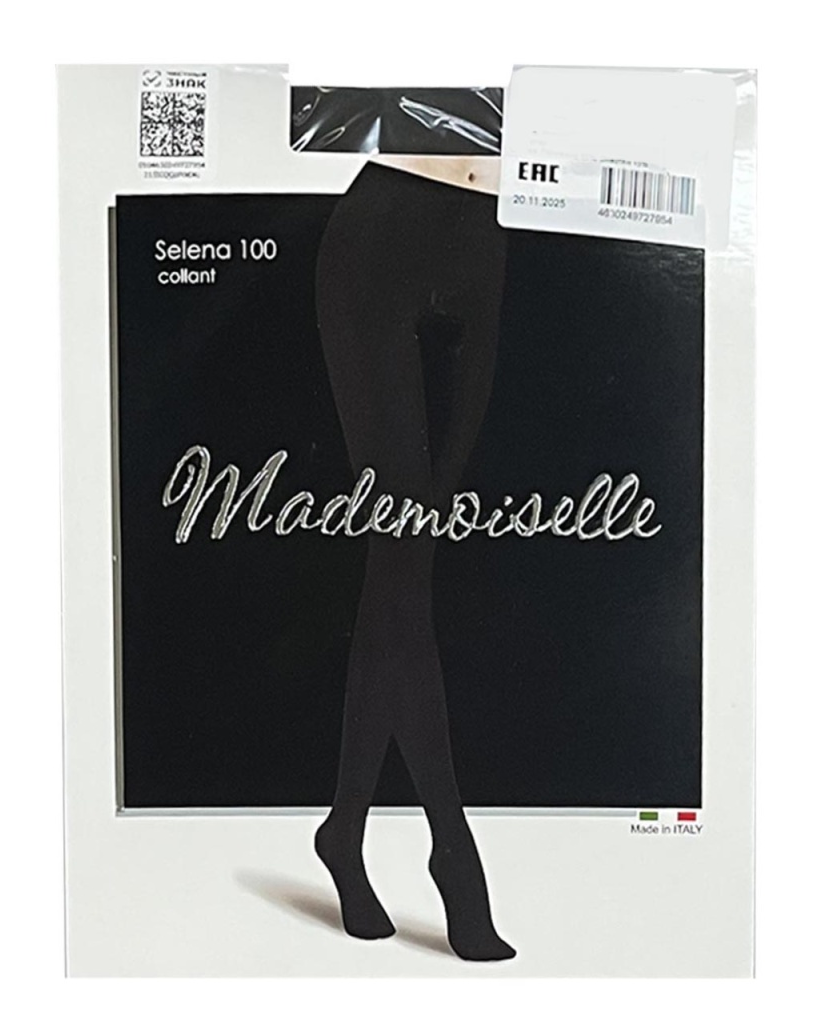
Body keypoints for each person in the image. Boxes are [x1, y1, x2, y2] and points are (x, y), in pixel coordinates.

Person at [313, 156, 515, 961]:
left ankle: (345, 829)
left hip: (489, 239)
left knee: (407, 563)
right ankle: (452, 848)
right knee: (403, 555)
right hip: (380, 239)